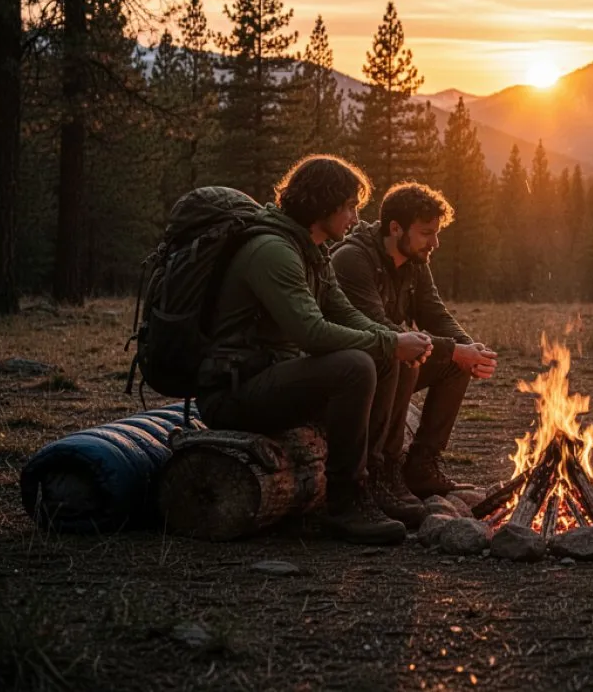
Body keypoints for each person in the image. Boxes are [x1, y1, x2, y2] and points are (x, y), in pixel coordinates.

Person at [196, 156, 434, 545]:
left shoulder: (312, 250)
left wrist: (395, 341)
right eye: (350, 207)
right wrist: (391, 342)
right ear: (323, 204)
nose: (355, 218)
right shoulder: (273, 251)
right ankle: (344, 503)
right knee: (355, 366)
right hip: (234, 392)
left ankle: (375, 479)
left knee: (384, 359)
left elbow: (346, 313)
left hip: (273, 377)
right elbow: (312, 333)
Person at [331, 181, 498, 513]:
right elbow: (381, 330)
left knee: (453, 363)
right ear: (396, 228)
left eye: (436, 233)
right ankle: (381, 471)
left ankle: (421, 466)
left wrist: (468, 348)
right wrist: (454, 350)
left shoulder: (415, 262)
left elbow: (434, 313)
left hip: (388, 363)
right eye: (426, 233)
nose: (434, 243)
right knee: (406, 358)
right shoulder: (352, 259)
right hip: (354, 373)